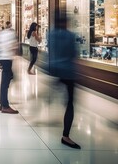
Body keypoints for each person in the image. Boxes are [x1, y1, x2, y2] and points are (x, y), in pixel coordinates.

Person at [48, 15, 81, 149]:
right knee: (70, 103)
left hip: (55, 68)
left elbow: (51, 50)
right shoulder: (70, 36)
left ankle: (50, 94)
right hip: (68, 71)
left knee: (61, 88)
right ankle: (65, 136)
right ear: (65, 22)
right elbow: (74, 54)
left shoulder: (50, 34)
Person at [0, 21, 18, 114]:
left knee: (5, 82)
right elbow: (12, 47)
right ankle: (5, 105)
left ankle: (2, 104)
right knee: (5, 83)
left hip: (2, 59)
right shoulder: (11, 34)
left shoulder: (1, 34)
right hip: (7, 59)